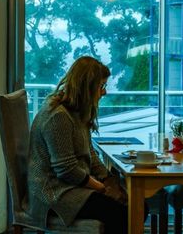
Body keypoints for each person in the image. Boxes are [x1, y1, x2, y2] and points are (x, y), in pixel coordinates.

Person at [26, 56, 128, 234]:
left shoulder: (77, 111)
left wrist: (109, 180)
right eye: (101, 86)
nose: (104, 92)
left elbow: (90, 153)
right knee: (120, 213)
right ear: (86, 87)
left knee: (136, 205)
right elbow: (66, 169)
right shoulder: (58, 116)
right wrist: (101, 187)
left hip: (72, 186)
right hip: (54, 192)